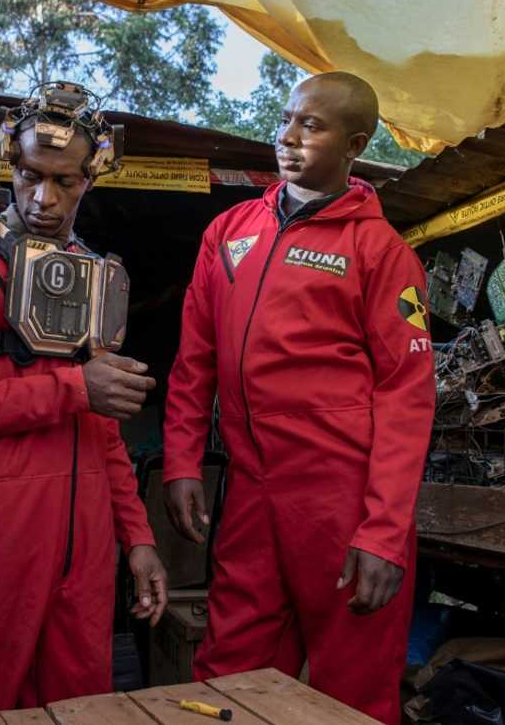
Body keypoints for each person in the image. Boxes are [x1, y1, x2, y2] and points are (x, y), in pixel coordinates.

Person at [162, 71, 435, 725]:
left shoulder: (382, 253)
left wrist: (384, 533)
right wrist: (180, 460)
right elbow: (194, 359)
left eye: (311, 126)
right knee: (230, 679)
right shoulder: (227, 232)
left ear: (355, 143)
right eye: (286, 120)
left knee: (352, 692)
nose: (287, 137)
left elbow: (407, 396)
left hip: (341, 503)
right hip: (252, 494)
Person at [0, 83, 168, 725]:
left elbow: (103, 430)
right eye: (30, 175)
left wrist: (136, 537)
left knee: (81, 706)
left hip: (86, 542)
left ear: (91, 178)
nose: (44, 199)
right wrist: (73, 388)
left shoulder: (95, 275)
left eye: (66, 182)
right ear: (8, 166)